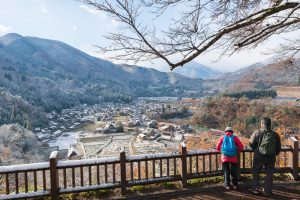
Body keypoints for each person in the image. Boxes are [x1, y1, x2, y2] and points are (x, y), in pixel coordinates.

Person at [249, 117, 281, 196]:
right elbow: (278, 147)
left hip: (259, 156)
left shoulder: (257, 132)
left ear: (262, 124)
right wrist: (275, 153)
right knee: (269, 173)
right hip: (271, 157)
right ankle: (267, 191)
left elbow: (251, 144)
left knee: (256, 172)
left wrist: (256, 150)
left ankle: (255, 189)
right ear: (270, 124)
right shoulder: (275, 134)